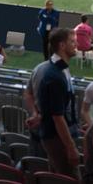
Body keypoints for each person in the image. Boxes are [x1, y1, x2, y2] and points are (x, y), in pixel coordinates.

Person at [31, 28, 80, 176]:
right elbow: (58, 117)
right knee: (68, 177)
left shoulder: (58, 68)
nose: (76, 44)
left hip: (56, 134)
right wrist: (71, 147)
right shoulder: (55, 75)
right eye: (72, 41)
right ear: (62, 46)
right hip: (57, 137)